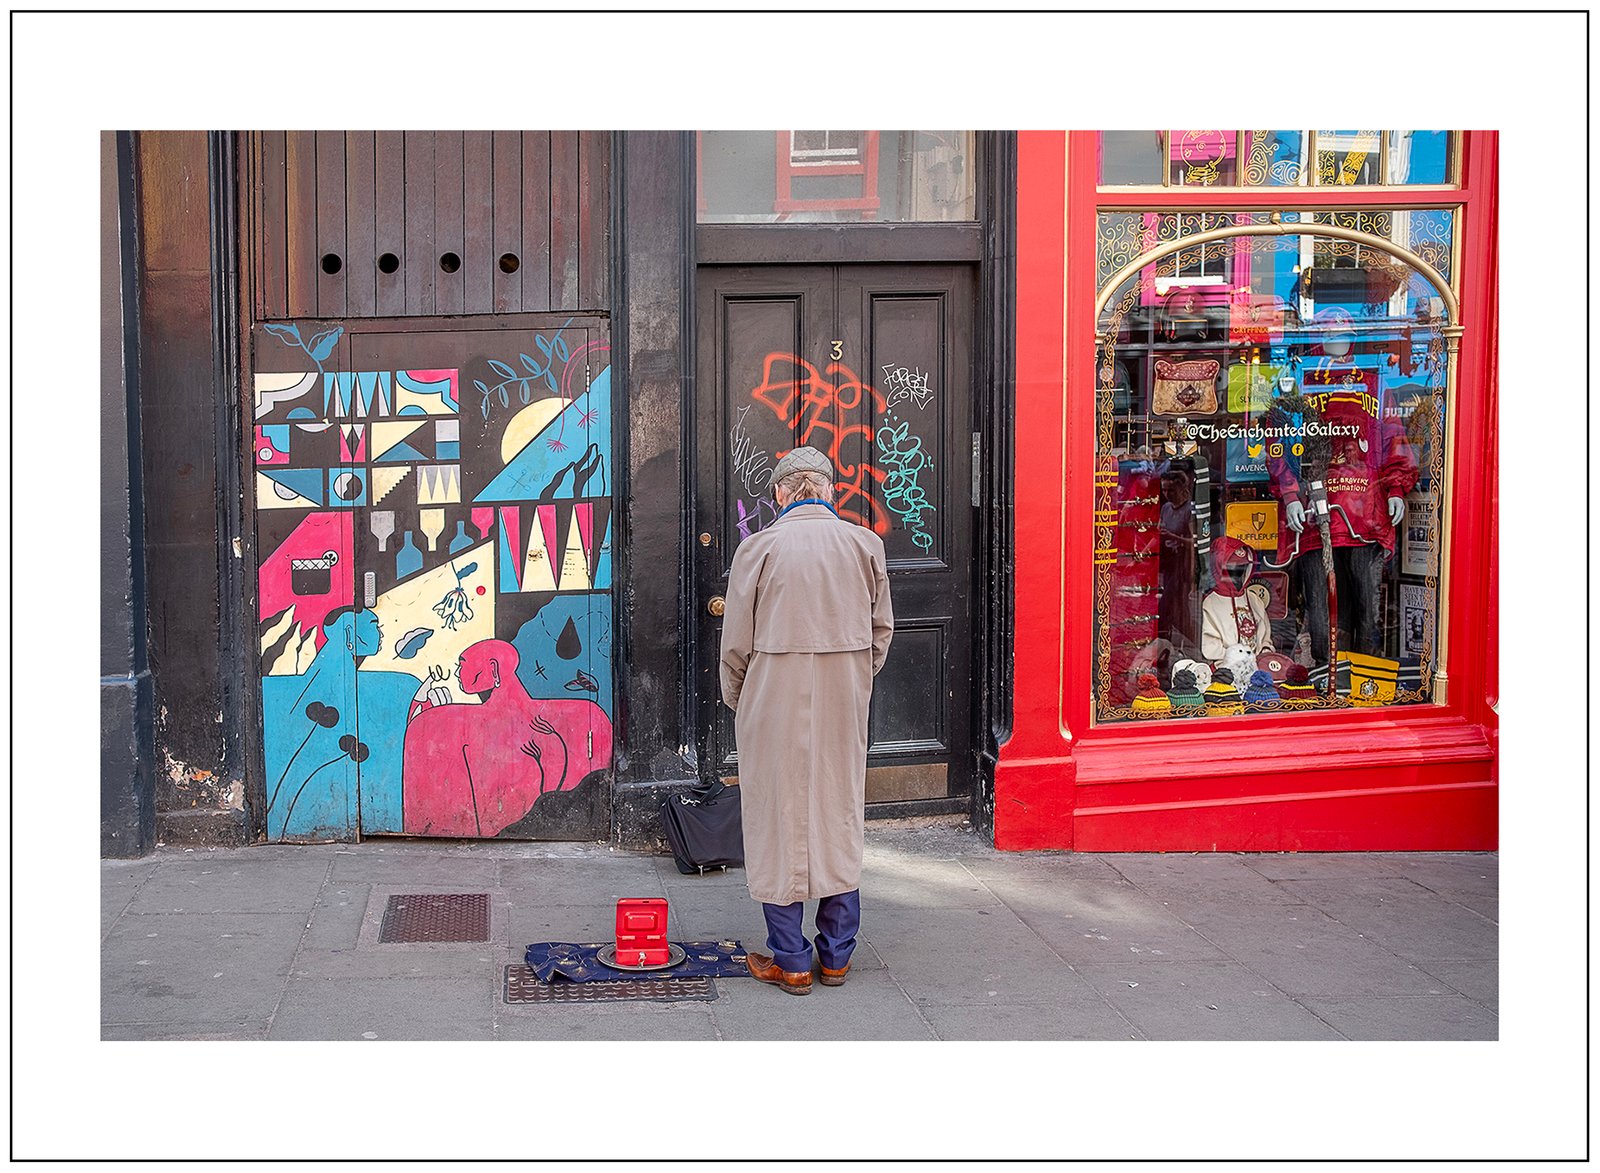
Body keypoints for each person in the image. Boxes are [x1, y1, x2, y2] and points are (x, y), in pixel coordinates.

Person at [719, 446, 894, 995]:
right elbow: (881, 633)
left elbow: (736, 644)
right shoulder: (865, 545)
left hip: (772, 695)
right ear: (829, 490)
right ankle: (837, 956)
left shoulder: (758, 549)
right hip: (843, 696)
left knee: (777, 817)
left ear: (780, 493)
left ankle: (791, 959)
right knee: (838, 810)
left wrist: (738, 698)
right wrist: (853, 677)